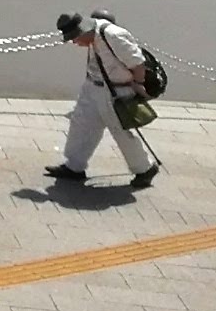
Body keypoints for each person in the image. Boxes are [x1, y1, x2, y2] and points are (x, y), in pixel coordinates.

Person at [51, 11, 160, 190]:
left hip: (116, 91)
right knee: (81, 125)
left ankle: (145, 169)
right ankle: (74, 166)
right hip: (92, 86)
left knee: (121, 131)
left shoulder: (114, 36)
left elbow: (137, 63)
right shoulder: (92, 36)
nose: (74, 42)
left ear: (83, 31)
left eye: (74, 38)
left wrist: (139, 85)